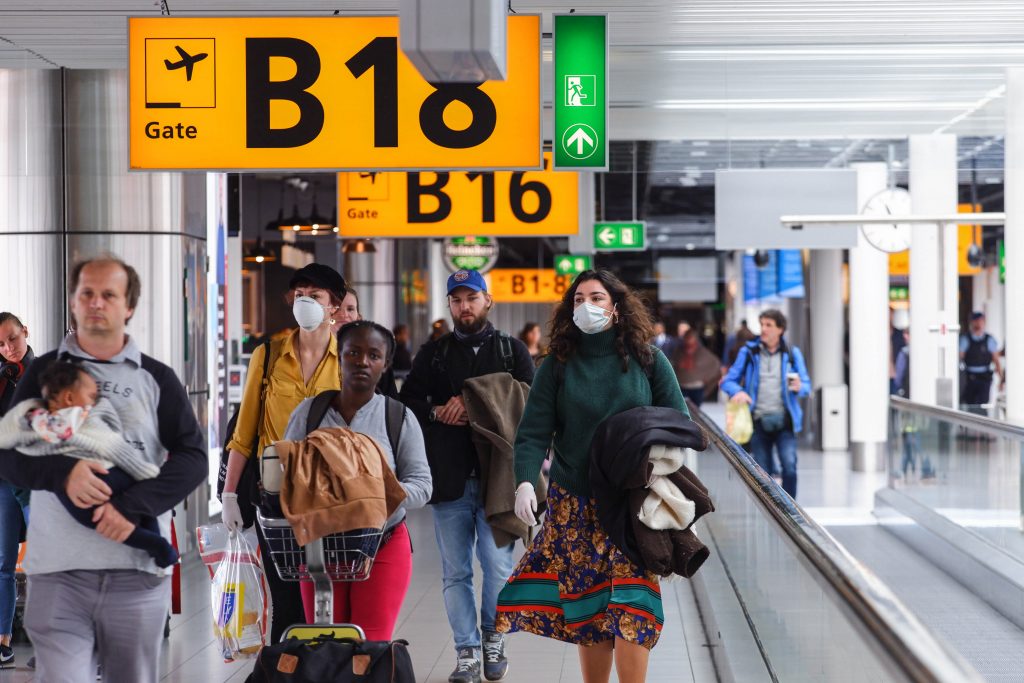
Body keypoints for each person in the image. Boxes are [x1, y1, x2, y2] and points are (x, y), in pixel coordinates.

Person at [0, 256, 206, 682]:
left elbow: (193, 457)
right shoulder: (43, 372)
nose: (96, 303)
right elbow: (7, 451)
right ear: (73, 303)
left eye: (108, 294)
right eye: (86, 293)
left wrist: (131, 506)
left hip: (136, 574)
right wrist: (61, 474)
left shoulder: (156, 377)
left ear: (128, 306)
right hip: (58, 574)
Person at [496, 269, 688, 683]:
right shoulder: (557, 367)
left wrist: (652, 458)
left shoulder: (648, 360)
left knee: (634, 605)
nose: (588, 306)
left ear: (616, 308)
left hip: (632, 505)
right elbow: (532, 433)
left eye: (597, 298)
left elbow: (680, 422)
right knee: (589, 606)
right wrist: (526, 480)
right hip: (575, 504)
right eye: (579, 298)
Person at [399, 269, 534, 683]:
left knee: (496, 567)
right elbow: (406, 403)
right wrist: (439, 411)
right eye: (457, 300)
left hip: (499, 477)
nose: (465, 307)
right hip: (450, 478)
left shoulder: (511, 352)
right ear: (450, 305)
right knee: (455, 571)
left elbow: (531, 400)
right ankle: (467, 652)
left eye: (471, 298)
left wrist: (472, 402)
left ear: (487, 301)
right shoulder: (434, 354)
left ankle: (494, 637)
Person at [282, 321, 432, 639]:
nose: (363, 361)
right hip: (319, 549)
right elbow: (285, 473)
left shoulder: (398, 417)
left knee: (370, 647)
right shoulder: (309, 413)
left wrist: (373, 493)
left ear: (385, 364)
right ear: (339, 356)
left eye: (374, 355)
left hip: (384, 544)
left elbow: (422, 485)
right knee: (325, 644)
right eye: (353, 352)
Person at [221, 262, 346, 643]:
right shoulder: (270, 354)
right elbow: (244, 433)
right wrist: (229, 493)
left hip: (331, 496)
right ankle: (285, 668)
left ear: (335, 308)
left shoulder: (348, 359)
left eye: (316, 296)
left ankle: (323, 668)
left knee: (326, 596)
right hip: (273, 495)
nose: (305, 301)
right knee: (287, 599)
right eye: (300, 294)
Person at [0, 361, 178, 568]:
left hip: (93, 480)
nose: (93, 402)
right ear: (68, 397)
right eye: (91, 397)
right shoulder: (76, 413)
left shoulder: (55, 415)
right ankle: (157, 541)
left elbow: (49, 433)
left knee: (96, 520)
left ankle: (157, 546)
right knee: (143, 511)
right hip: (114, 472)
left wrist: (30, 420)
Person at [721, 309, 811, 499]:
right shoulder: (749, 352)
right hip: (758, 421)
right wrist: (738, 391)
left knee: (789, 467)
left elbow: (806, 385)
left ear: (780, 329)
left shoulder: (792, 353)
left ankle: (790, 509)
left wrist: (800, 387)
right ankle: (771, 511)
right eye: (762, 324)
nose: (764, 329)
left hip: (785, 421)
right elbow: (728, 381)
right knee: (762, 472)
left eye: (769, 325)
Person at [0, 312, 32, 668]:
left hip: (33, 480)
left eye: (13, 338)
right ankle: (3, 641)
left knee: (45, 564)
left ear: (25, 332)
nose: (9, 348)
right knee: (4, 562)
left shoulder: (41, 373)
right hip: (4, 479)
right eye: (1, 343)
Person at [960, 311, 1003, 412]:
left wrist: (1001, 379)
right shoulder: (966, 339)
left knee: (983, 404)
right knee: (970, 404)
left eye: (980, 321)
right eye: (975, 321)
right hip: (969, 377)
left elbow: (996, 360)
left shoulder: (989, 339)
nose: (978, 324)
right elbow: (959, 356)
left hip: (984, 377)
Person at [673, 330, 721, 407]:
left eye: (690, 338)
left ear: (695, 338)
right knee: (682, 411)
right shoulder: (679, 351)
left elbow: (715, 364)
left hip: (697, 388)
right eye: (687, 338)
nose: (688, 340)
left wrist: (707, 378)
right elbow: (673, 364)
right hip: (681, 386)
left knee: (696, 413)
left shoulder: (702, 352)